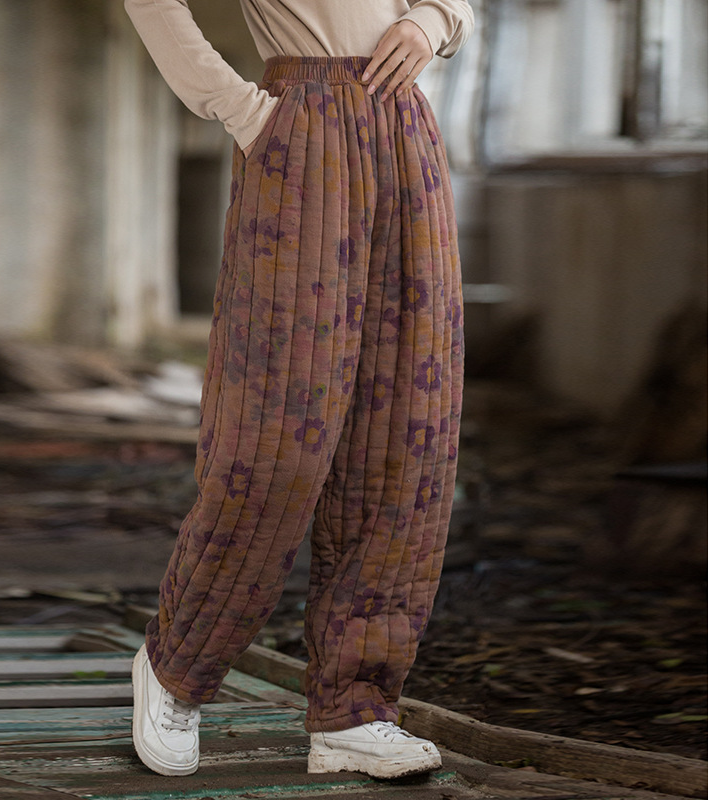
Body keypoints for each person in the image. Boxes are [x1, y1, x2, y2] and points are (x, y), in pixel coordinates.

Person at [125, 0, 473, 781]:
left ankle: (356, 710)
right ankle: (177, 667)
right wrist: (240, 109)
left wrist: (434, 19)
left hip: (405, 130)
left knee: (404, 438)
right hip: (300, 130)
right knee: (276, 436)